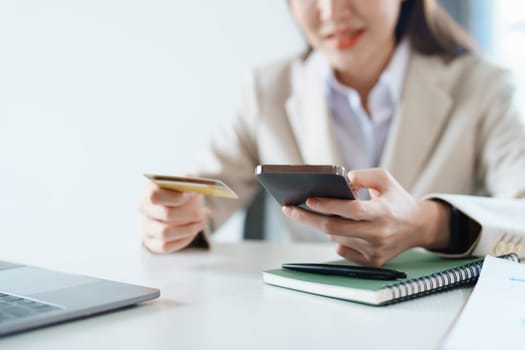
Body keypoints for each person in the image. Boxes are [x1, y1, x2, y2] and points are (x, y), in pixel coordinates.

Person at [139, 0, 525, 266]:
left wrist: (429, 223)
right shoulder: (267, 90)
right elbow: (201, 200)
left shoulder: (483, 87)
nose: (332, 12)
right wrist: (173, 221)